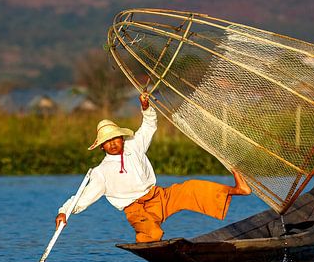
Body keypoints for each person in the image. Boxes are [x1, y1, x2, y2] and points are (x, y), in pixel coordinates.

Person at [55, 92, 251, 243]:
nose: (113, 143)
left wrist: (145, 107)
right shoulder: (101, 172)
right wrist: (64, 212)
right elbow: (83, 197)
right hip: (136, 209)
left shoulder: (134, 145)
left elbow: (149, 126)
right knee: (152, 233)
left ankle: (236, 190)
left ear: (122, 138)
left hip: (159, 196)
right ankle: (149, 259)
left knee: (190, 188)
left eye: (116, 138)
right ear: (102, 146)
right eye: (108, 141)